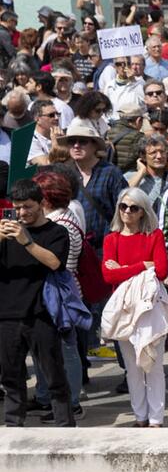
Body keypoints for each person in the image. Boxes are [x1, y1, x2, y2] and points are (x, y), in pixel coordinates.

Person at [0, 180, 73, 427]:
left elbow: (55, 263)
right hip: (6, 316)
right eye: (17, 208)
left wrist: (27, 241)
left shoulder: (56, 232)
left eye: (27, 207)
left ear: (41, 204)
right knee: (11, 377)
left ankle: (65, 427)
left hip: (41, 315)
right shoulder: (7, 233)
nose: (22, 213)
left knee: (54, 375)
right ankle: (13, 427)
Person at [99, 189, 168, 427]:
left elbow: (161, 271)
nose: (127, 212)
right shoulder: (112, 238)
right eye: (123, 206)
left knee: (154, 365)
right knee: (132, 367)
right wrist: (142, 265)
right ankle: (140, 416)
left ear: (143, 211)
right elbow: (108, 276)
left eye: (133, 207)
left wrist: (124, 268)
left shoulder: (154, 235)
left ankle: (156, 418)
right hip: (124, 309)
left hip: (150, 307)